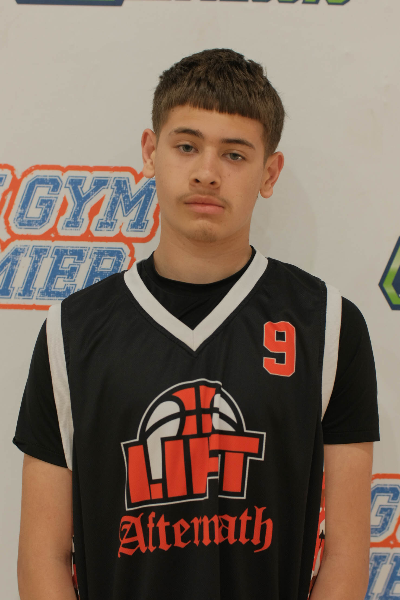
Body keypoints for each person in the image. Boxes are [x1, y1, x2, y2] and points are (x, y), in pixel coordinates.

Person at [13, 48, 379, 600]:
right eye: (186, 146)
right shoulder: (72, 330)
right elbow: (42, 555)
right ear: (150, 152)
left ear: (269, 173)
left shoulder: (328, 324)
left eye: (234, 154)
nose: (207, 172)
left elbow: (347, 554)